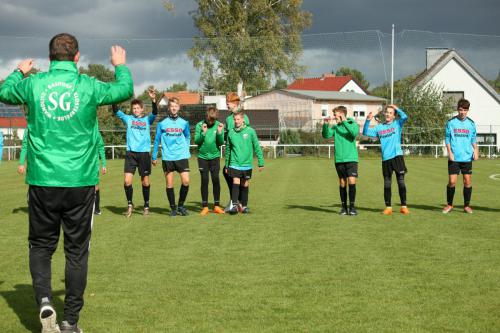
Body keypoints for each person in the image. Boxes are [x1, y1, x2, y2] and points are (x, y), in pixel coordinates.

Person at [0, 33, 133, 333]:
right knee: (76, 252)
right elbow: (125, 89)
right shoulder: (88, 85)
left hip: (43, 180)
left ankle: (45, 299)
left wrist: (18, 71)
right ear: (76, 57)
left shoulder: (34, 84)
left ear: (49, 58)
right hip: (80, 182)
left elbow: (5, 92)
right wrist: (119, 65)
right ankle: (70, 321)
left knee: (41, 246)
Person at [113, 88, 157, 217]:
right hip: (131, 154)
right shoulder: (128, 119)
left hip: (143, 154)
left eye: (138, 108)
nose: (136, 110)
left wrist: (153, 100)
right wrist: (114, 98)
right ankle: (130, 205)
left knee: (145, 182)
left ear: (142, 109)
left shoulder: (147, 120)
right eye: (134, 108)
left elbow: (155, 112)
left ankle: (146, 206)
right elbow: (116, 110)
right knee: (127, 181)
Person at [363, 104, 410, 215]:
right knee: (387, 183)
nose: (388, 114)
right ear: (384, 114)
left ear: (394, 116)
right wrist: (367, 121)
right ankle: (388, 207)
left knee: (401, 182)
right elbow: (365, 132)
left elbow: (405, 117)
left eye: (390, 113)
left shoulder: (397, 124)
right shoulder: (379, 127)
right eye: (387, 112)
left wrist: (396, 107)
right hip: (386, 159)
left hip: (397, 156)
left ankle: (404, 206)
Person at [152, 97, 191, 216]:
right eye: (172, 106)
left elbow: (187, 136)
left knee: (186, 181)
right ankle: (173, 208)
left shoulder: (184, 123)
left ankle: (181, 205)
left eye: (176, 106)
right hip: (168, 157)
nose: (174, 108)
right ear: (169, 108)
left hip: (181, 156)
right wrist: (154, 156)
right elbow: (157, 140)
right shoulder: (162, 124)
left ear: (179, 108)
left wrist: (186, 149)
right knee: (169, 183)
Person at [322, 106, 360, 215]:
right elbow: (326, 135)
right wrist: (325, 125)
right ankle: (344, 208)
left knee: (352, 181)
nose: (334, 117)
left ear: (342, 114)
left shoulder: (352, 124)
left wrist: (344, 121)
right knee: (342, 182)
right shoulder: (335, 127)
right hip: (339, 159)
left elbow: (353, 133)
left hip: (351, 158)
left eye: (335, 114)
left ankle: (352, 208)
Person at [442, 98, 478, 214]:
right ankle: (449, 204)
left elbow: (473, 139)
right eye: (461, 110)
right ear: (458, 109)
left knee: (467, 181)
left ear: (468, 110)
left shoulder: (471, 124)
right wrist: (449, 152)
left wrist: (476, 150)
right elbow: (447, 138)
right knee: (452, 182)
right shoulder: (451, 122)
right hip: (454, 157)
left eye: (465, 110)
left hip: (467, 157)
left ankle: (466, 206)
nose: (462, 112)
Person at [225, 111, 264, 214]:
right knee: (235, 182)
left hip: (246, 164)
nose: (236, 121)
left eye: (238, 119)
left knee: (245, 184)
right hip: (234, 163)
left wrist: (261, 162)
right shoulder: (231, 132)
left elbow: (257, 146)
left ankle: (244, 206)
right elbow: (228, 149)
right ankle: (234, 206)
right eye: (235, 119)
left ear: (243, 120)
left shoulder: (250, 131)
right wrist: (226, 164)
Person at [194, 106, 225, 215]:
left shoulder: (219, 125)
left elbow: (221, 143)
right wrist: (203, 133)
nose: (211, 121)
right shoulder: (199, 125)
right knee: (205, 180)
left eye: (213, 119)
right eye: (209, 119)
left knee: (216, 179)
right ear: (206, 117)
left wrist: (220, 133)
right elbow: (197, 141)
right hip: (202, 158)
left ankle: (216, 206)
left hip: (215, 158)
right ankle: (205, 206)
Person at [223, 92, 250, 212]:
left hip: (241, 157)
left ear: (234, 103)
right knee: (226, 172)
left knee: (240, 179)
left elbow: (246, 133)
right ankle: (235, 201)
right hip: (232, 154)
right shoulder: (228, 118)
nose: (226, 104)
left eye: (227, 102)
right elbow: (228, 134)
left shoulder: (244, 117)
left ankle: (239, 202)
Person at [94, 132, 107, 215]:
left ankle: (97, 209)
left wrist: (104, 164)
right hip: (80, 165)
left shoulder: (96, 133)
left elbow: (101, 148)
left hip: (93, 165)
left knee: (95, 187)